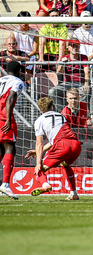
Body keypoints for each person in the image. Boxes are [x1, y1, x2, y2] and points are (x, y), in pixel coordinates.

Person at [24, 97, 82, 200]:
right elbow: (53, 141)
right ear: (52, 106)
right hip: (76, 145)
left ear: (40, 109)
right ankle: (74, 193)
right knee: (65, 164)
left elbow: (39, 144)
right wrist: (37, 153)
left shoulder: (39, 120)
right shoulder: (61, 115)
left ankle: (46, 185)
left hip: (61, 146)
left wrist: (38, 163)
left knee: (38, 170)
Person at [0, 61, 25, 200]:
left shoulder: (0, 80)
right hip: (4, 116)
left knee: (0, 150)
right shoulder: (17, 81)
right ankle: (5, 184)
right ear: (19, 71)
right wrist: (8, 119)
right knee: (10, 147)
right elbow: (10, 99)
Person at [49, 38, 90, 112]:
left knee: (86, 92)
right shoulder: (65, 57)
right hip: (67, 84)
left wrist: (86, 84)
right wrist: (62, 64)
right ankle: (63, 113)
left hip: (80, 84)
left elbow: (87, 72)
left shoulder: (83, 57)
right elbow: (58, 72)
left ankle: (79, 113)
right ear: (68, 47)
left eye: (77, 46)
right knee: (52, 92)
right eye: (73, 46)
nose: (75, 48)